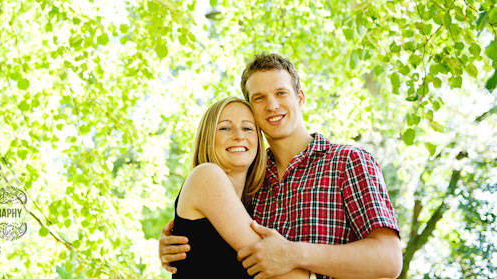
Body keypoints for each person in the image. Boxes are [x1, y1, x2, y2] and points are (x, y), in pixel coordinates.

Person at [159, 53, 402, 279]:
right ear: (251, 109)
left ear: (300, 97)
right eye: (259, 98)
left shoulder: (347, 161)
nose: (272, 105)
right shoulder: (251, 179)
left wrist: (294, 253)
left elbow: (389, 259)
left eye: (281, 93)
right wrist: (182, 238)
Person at [170, 96, 311, 278]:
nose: (238, 135)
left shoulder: (256, 203)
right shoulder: (206, 175)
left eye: (247, 128)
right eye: (225, 128)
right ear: (208, 137)